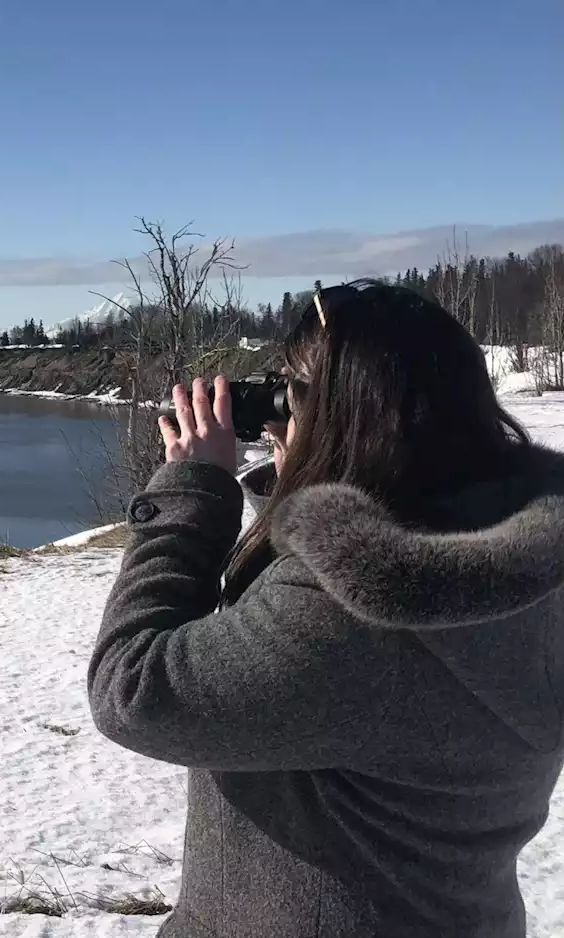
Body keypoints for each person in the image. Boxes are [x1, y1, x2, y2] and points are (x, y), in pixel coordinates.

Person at [88, 279, 564, 938]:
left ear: (343, 414)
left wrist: (194, 492)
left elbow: (133, 690)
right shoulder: (521, 565)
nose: (276, 412)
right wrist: (304, 478)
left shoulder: (349, 617)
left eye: (288, 393)